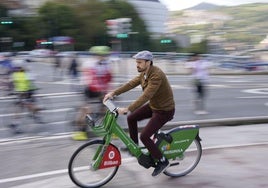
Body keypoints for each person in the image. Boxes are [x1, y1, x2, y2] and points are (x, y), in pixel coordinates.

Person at [103, 50, 175, 177]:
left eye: (140, 62)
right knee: (131, 118)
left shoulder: (156, 75)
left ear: (148, 62)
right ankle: (134, 147)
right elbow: (130, 84)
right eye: (136, 62)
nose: (137, 65)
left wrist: (128, 108)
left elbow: (147, 95)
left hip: (164, 110)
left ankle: (163, 161)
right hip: (154, 106)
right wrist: (113, 93)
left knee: (145, 136)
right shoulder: (144, 73)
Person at [72, 46, 112, 141]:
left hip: (99, 89)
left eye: (105, 55)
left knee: (108, 108)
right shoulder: (89, 64)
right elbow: (91, 80)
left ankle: (109, 130)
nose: (104, 57)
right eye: (102, 55)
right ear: (96, 55)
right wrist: (101, 91)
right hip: (87, 88)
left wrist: (110, 92)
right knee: (87, 110)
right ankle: (80, 131)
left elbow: (108, 78)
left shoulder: (106, 64)